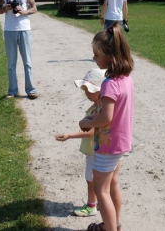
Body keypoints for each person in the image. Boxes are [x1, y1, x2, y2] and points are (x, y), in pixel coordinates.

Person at [79, 22, 134, 231]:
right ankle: (114, 224)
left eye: (96, 54)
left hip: (107, 144)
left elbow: (106, 117)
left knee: (101, 191)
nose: (94, 58)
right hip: (121, 141)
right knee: (113, 184)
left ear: (109, 55)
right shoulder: (126, 78)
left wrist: (87, 122)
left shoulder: (109, 83)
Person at [55, 68, 107, 217]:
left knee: (91, 179)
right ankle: (96, 203)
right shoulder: (97, 106)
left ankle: (92, 206)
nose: (86, 93)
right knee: (92, 179)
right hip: (93, 150)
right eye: (85, 90)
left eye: (89, 90)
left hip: (94, 151)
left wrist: (69, 135)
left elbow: (91, 131)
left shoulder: (100, 109)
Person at [0, 0, 38, 99]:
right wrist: (5, 8)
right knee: (11, 63)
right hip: (9, 30)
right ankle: (12, 91)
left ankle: (31, 90)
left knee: (28, 62)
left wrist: (24, 11)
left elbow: (34, 8)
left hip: (24, 28)